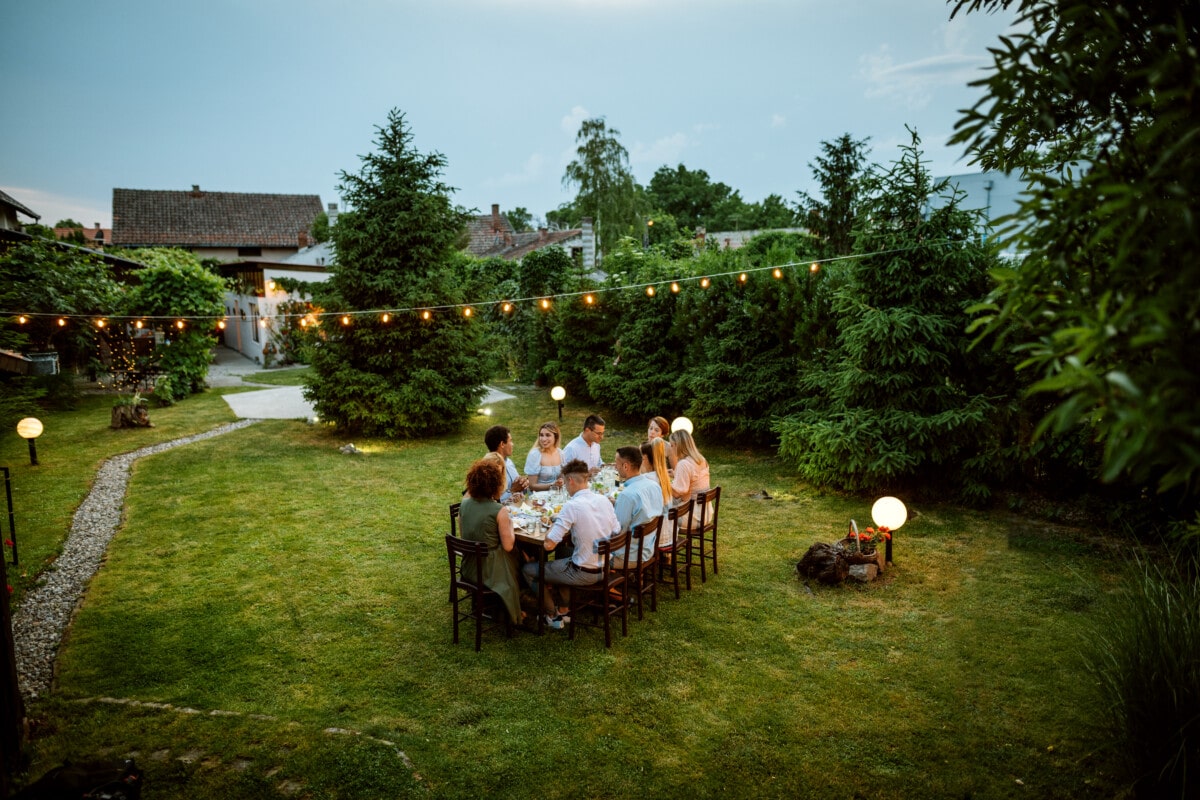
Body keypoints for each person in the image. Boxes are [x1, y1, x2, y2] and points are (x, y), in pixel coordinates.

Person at [521, 459, 619, 629]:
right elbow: (616, 529)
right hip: (606, 565)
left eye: (565, 483)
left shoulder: (572, 506)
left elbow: (549, 545)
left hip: (585, 572)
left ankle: (552, 615)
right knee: (564, 552)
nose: (565, 487)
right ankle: (564, 608)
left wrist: (553, 525)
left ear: (570, 481)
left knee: (528, 570)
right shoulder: (604, 500)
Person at [458, 458, 523, 624]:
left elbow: (464, 534)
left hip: (469, 565)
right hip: (490, 570)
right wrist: (510, 527)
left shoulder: (464, 504)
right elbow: (508, 546)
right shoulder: (499, 511)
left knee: (522, 555)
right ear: (495, 485)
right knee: (520, 556)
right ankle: (513, 607)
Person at [610, 445, 665, 569]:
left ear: (626, 466)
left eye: (616, 463)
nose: (615, 467)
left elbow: (617, 532)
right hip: (647, 549)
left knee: (583, 547)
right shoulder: (654, 485)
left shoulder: (627, 495)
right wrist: (617, 503)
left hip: (627, 556)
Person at [669, 429, 712, 527]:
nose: (671, 449)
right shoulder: (701, 459)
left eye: (672, 445)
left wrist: (662, 482)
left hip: (692, 517)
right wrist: (676, 474)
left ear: (678, 445)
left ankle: (664, 540)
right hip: (706, 514)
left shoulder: (683, 464)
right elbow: (694, 479)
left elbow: (676, 494)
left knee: (657, 513)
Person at [641, 438, 674, 545]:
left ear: (644, 458)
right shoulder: (663, 475)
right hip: (670, 532)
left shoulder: (647, 479)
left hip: (657, 536)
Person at [485, 424, 529, 503]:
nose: (513, 444)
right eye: (510, 441)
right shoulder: (489, 468)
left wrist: (524, 485)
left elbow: (519, 489)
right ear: (502, 444)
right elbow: (490, 502)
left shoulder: (509, 462)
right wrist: (512, 490)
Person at [524, 421, 564, 491]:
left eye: (548, 435)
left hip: (557, 495)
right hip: (539, 497)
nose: (543, 439)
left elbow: (563, 477)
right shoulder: (535, 455)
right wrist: (552, 485)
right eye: (541, 435)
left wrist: (561, 481)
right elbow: (532, 485)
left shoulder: (561, 453)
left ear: (556, 437)